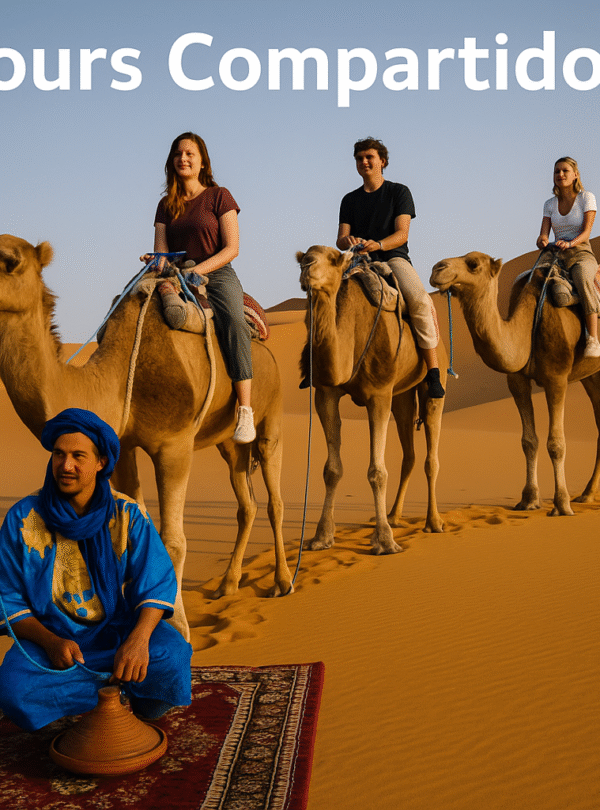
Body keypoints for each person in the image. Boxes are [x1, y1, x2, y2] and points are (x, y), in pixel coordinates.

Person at [0, 408, 192, 731]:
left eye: (78, 456)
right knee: (13, 687)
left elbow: (156, 583)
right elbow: (7, 599)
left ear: (101, 462)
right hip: (56, 643)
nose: (66, 466)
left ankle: (112, 698)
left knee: (172, 657)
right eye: (59, 455)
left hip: (119, 633)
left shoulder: (126, 515)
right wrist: (49, 641)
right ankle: (114, 693)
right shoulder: (22, 519)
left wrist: (139, 640)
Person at [141, 132, 255, 443]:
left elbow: (232, 248)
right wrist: (156, 260)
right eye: (178, 154)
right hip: (175, 274)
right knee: (132, 307)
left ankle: (245, 409)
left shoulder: (219, 196)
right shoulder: (166, 205)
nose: (183, 158)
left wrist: (198, 272)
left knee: (233, 322)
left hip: (216, 273)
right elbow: (162, 253)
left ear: (202, 161)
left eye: (190, 153)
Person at [336, 137, 445, 398]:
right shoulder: (349, 200)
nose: (364, 162)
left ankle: (433, 371)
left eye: (369, 157)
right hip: (358, 261)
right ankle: (316, 364)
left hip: (393, 258)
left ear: (382, 161)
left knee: (419, 301)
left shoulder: (399, 192)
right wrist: (348, 241)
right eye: (359, 158)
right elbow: (340, 239)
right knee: (324, 298)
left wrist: (378, 245)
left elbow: (402, 234)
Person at [536, 156, 599, 358]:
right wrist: (543, 241)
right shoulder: (549, 204)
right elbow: (544, 234)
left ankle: (593, 339)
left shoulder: (586, 197)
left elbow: (586, 232)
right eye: (557, 171)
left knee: (581, 275)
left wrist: (570, 243)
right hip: (555, 254)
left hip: (581, 251)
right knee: (536, 281)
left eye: (565, 171)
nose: (560, 174)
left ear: (575, 175)